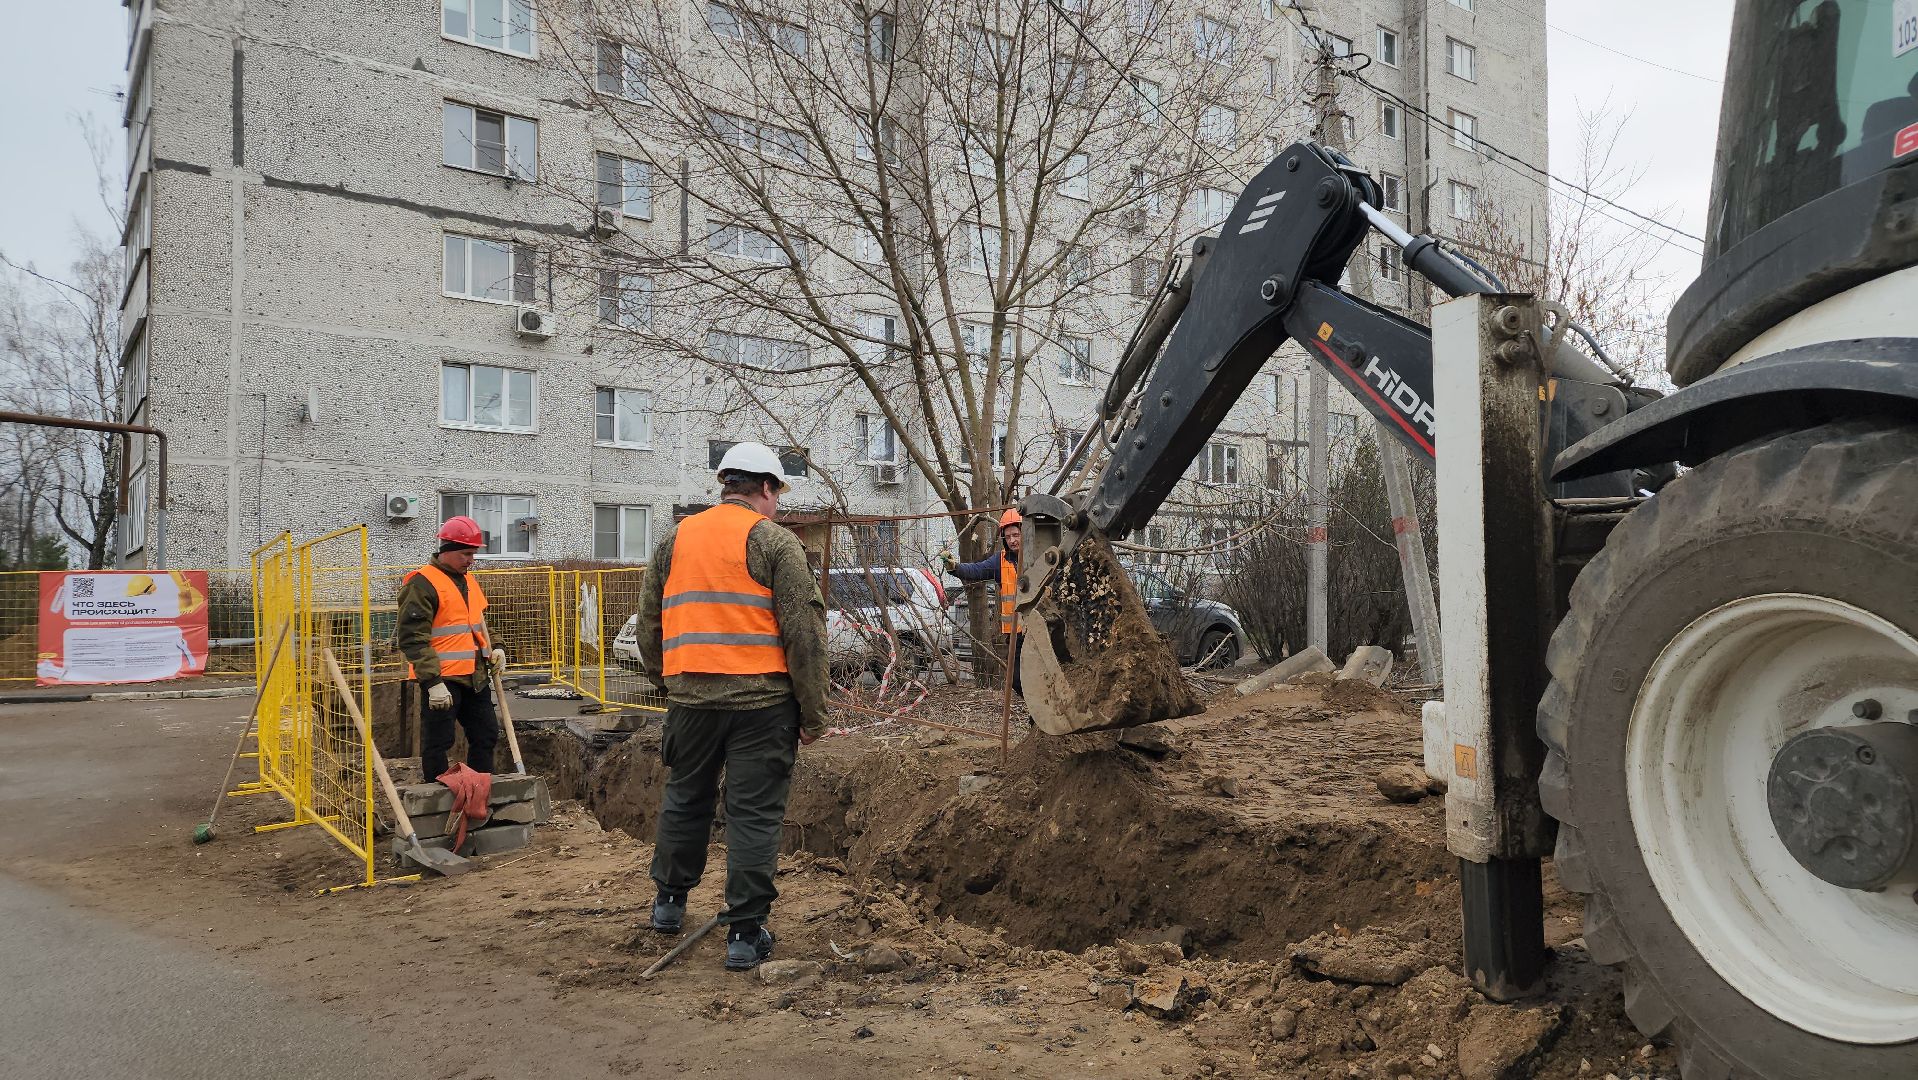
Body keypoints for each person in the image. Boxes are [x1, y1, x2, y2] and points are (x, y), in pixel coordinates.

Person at [634, 441, 829, 971]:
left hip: (690, 703)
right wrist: (814, 713)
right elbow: (805, 634)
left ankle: (668, 904)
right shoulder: (776, 542)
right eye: (777, 494)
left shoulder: (676, 539)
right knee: (754, 815)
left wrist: (668, 681)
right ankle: (744, 933)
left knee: (684, 799)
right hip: (762, 708)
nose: (777, 505)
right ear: (764, 487)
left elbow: (649, 620)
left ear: (726, 484)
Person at [395, 516, 502, 783]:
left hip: (475, 676)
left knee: (486, 734)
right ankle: (437, 793)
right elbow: (413, 638)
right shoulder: (421, 584)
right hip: (443, 678)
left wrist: (497, 647)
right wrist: (432, 682)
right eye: (466, 554)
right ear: (447, 550)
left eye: (473, 554)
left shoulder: (469, 581)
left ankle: (478, 789)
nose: (471, 560)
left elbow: (479, 622)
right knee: (438, 741)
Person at [943, 507, 1024, 695]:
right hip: (1016, 634)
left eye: (1016, 535)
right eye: (1008, 536)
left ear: (1025, 533)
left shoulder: (1038, 556)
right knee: (1016, 679)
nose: (1012, 540)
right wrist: (955, 567)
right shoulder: (1000, 562)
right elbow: (976, 570)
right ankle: (1036, 708)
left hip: (1040, 630)